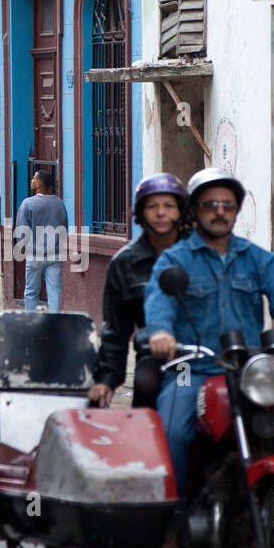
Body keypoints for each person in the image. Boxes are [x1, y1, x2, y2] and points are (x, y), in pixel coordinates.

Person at [143, 168, 274, 503]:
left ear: (236, 210)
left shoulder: (258, 259)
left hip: (249, 373)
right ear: (194, 210)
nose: (220, 211)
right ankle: (171, 518)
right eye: (210, 205)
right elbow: (159, 305)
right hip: (193, 371)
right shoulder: (174, 261)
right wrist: (161, 333)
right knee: (173, 431)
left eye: (228, 205)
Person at [89, 173, 188, 408]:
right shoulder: (125, 263)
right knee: (147, 386)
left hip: (205, 354)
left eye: (169, 206)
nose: (161, 212)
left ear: (181, 211)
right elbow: (115, 329)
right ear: (141, 213)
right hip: (158, 356)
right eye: (152, 206)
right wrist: (107, 379)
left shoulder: (200, 254)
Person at [14, 169, 67, 311]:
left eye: (34, 178)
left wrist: (23, 248)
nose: (31, 180)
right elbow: (64, 227)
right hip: (55, 255)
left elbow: (22, 230)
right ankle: (53, 324)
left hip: (35, 254)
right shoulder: (59, 203)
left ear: (39, 183)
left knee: (31, 292)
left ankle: (31, 324)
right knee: (54, 293)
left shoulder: (28, 203)